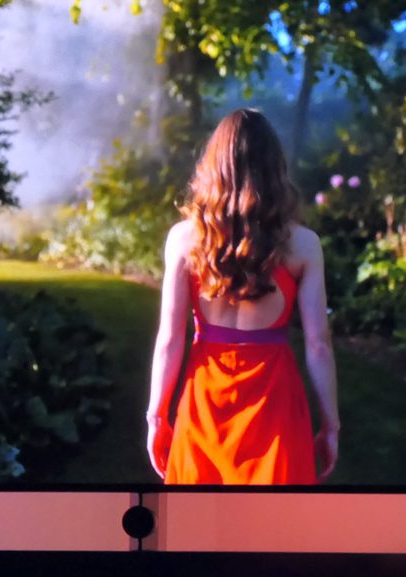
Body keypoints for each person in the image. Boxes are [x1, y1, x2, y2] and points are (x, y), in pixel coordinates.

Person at [145, 108, 341, 485]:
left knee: (197, 519)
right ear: (274, 167)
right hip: (274, 405)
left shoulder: (184, 240)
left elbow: (170, 339)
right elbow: (319, 344)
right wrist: (330, 424)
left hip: (205, 401)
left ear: (213, 165)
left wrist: (157, 415)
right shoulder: (303, 245)